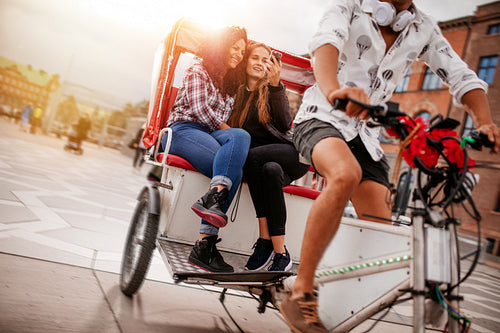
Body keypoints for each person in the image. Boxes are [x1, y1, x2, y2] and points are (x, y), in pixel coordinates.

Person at [279, 1, 500, 332]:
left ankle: (339, 305)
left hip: (367, 135)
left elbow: (460, 74)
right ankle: (301, 293)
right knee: (345, 174)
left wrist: (484, 122)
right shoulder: (349, 7)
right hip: (322, 116)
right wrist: (334, 90)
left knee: (377, 231)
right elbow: (326, 42)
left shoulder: (422, 28)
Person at [163, 26, 250, 273]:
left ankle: (209, 215)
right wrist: (225, 133)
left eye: (242, 51)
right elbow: (201, 112)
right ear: (222, 46)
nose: (238, 54)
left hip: (209, 134)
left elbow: (218, 126)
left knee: (241, 137)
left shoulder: (231, 84)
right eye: (234, 47)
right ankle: (205, 244)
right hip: (184, 129)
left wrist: (228, 134)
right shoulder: (197, 71)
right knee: (234, 170)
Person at [228, 43, 309, 272]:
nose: (260, 63)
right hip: (265, 165)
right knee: (269, 170)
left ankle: (264, 241)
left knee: (251, 156)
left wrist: (276, 85)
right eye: (254, 57)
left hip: (292, 154)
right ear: (245, 61)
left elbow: (285, 123)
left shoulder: (272, 90)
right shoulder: (236, 93)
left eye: (265, 60)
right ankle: (281, 254)